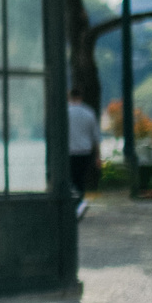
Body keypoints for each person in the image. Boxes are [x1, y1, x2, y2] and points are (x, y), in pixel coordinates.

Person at [66, 89, 100, 219]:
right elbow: (95, 137)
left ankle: (72, 204)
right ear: (81, 97)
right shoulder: (89, 112)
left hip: (69, 152)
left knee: (70, 179)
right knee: (80, 180)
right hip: (85, 152)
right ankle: (79, 204)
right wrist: (97, 156)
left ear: (70, 97)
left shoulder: (65, 113)